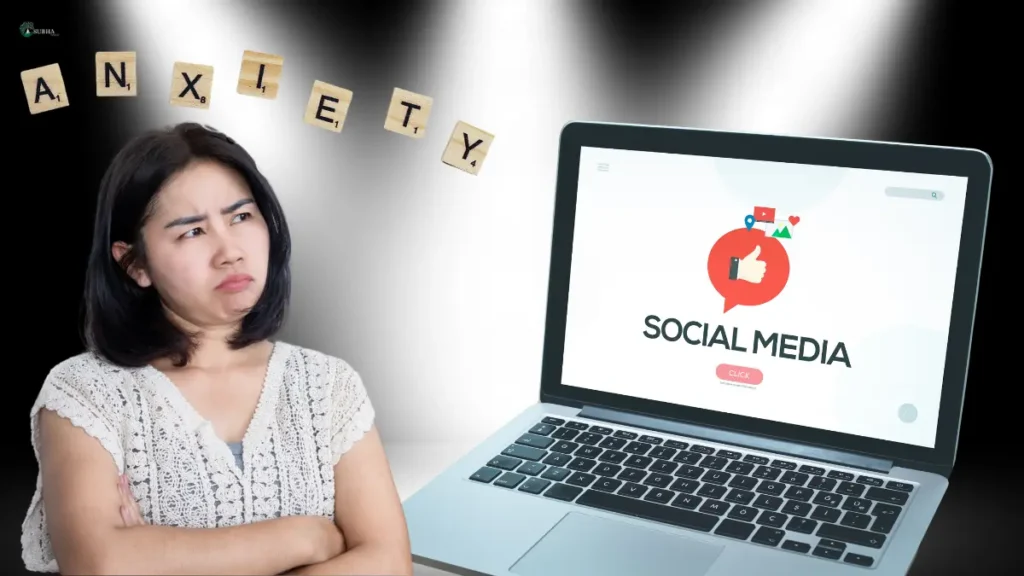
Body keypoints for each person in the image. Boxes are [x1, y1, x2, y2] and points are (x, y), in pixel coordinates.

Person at [21, 123, 413, 575]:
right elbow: (103, 565)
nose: (230, 251)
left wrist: (159, 555)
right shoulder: (85, 392)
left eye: (241, 217)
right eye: (192, 232)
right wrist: (309, 537)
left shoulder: (326, 385)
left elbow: (388, 565)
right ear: (135, 264)